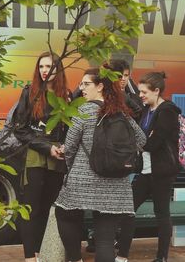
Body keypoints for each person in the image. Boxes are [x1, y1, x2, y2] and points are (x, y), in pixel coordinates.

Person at [55, 66, 136, 262]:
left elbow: (71, 145)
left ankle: (75, 259)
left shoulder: (84, 110)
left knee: (63, 213)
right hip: (116, 183)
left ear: (100, 86)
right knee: (105, 239)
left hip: (83, 181)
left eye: (86, 83)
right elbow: (140, 140)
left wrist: (70, 165)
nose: (81, 87)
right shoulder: (121, 113)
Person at [116, 71, 181, 262]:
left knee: (161, 214)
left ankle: (161, 257)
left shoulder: (168, 110)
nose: (141, 95)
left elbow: (154, 143)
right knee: (128, 209)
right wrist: (144, 139)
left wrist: (142, 140)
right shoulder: (146, 110)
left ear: (157, 91)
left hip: (162, 171)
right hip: (145, 170)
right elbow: (144, 138)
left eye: (144, 92)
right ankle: (122, 252)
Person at [12, 51, 70, 262]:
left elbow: (70, 128)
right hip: (35, 156)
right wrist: (47, 148)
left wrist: (64, 146)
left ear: (58, 69)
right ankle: (30, 256)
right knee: (31, 208)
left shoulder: (67, 95)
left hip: (57, 159)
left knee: (48, 208)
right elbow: (20, 129)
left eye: (49, 67)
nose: (45, 71)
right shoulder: (30, 92)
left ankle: (43, 252)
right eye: (42, 67)